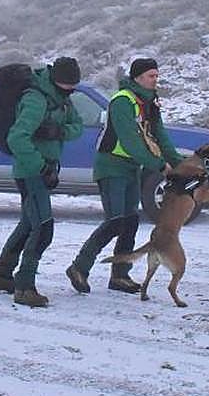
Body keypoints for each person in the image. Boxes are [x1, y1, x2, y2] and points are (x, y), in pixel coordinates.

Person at [66, 57, 184, 294]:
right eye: (151, 76)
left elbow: (160, 134)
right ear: (138, 77)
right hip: (111, 166)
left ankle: (120, 276)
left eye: (157, 75)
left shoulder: (150, 101)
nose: (155, 80)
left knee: (130, 220)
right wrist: (159, 165)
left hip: (131, 167)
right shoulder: (122, 101)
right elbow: (130, 141)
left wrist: (179, 164)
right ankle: (79, 267)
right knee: (115, 221)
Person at [0, 56, 83, 307]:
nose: (71, 91)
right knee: (43, 228)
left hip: (43, 169)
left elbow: (78, 126)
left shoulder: (61, 99)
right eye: (68, 86)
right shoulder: (36, 98)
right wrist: (40, 167)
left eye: (74, 86)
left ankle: (2, 275)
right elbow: (17, 138)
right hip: (31, 173)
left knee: (28, 224)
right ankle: (24, 286)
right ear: (56, 80)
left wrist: (58, 131)